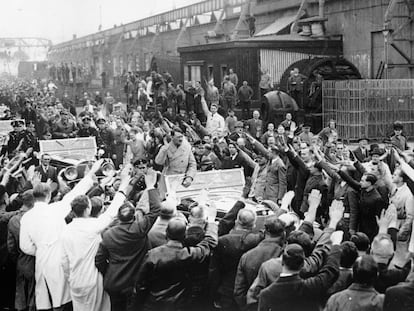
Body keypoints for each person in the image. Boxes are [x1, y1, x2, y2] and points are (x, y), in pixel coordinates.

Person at [19, 160, 104, 310]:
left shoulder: (26, 217)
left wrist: (41, 248)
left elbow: (25, 247)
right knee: (63, 299)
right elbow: (75, 193)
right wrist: (91, 173)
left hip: (41, 259)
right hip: (59, 258)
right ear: (49, 195)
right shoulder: (56, 209)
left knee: (45, 299)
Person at [61, 165, 131, 311]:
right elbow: (111, 212)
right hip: (92, 280)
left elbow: (64, 261)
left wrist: (70, 276)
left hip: (75, 281)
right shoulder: (93, 227)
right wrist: (124, 184)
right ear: (88, 209)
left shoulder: (66, 230)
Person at [95, 169, 161, 311]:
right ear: (133, 217)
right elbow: (156, 210)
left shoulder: (107, 235)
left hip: (114, 282)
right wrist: (150, 186)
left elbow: (99, 260)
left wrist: (109, 272)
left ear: (119, 217)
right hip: (134, 283)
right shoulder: (140, 228)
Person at [135, 205, 218, 311]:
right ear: (184, 236)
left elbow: (141, 286)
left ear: (166, 234)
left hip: (154, 303)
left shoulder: (152, 255)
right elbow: (210, 242)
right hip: (178, 304)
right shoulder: (190, 255)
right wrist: (211, 222)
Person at [258, 236, 342, 311]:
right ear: (302, 265)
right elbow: (331, 271)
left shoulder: (266, 295)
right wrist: (336, 245)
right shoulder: (310, 287)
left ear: (282, 262)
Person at [234, 216, 285, 311]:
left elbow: (238, 291)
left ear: (265, 232)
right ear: (283, 234)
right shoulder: (285, 256)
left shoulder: (247, 256)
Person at [7, 190, 36, 311]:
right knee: (34, 297)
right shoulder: (36, 218)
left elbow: (11, 247)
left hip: (21, 261)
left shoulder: (14, 220)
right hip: (36, 261)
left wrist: (18, 259)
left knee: (21, 298)